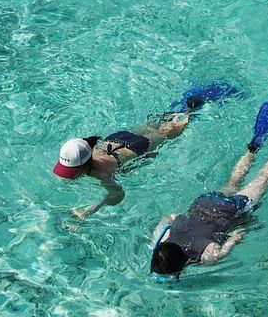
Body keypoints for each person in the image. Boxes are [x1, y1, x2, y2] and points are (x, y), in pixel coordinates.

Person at [149, 103, 268, 278]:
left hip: (228, 211)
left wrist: (247, 225)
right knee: (233, 182)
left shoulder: (207, 257)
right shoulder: (162, 237)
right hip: (205, 203)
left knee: (264, 179)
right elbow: (171, 217)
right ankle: (253, 149)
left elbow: (237, 236)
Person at [54, 82, 238, 221]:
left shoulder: (102, 173)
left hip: (137, 147)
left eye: (72, 171)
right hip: (117, 139)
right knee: (152, 126)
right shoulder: (84, 148)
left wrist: (92, 208)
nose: (69, 175)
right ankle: (181, 110)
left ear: (85, 166)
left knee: (167, 132)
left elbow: (118, 195)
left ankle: (192, 109)